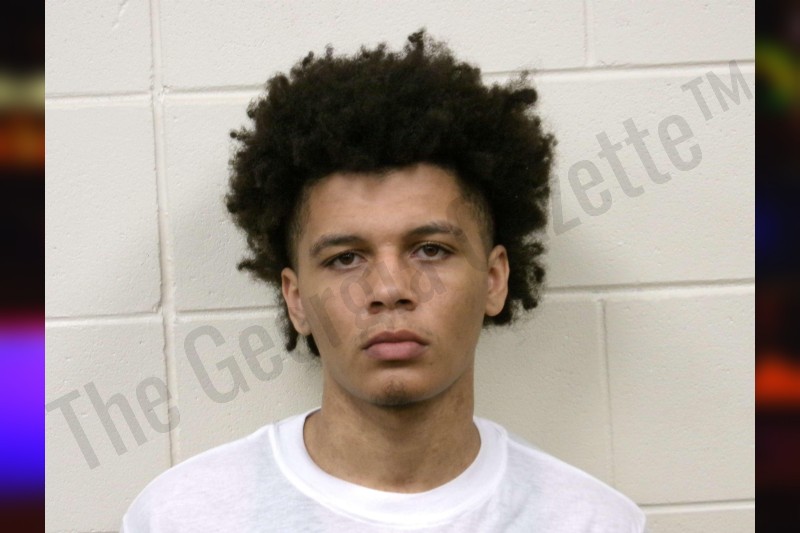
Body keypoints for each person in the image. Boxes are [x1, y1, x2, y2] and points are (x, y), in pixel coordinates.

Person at [121, 31, 646, 532]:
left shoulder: (593, 522)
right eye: (346, 258)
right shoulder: (181, 518)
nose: (389, 289)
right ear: (296, 300)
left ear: (493, 280)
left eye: (431, 250)